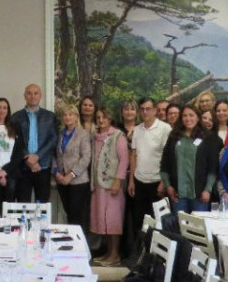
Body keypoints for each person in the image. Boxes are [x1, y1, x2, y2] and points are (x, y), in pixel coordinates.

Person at [159, 105, 220, 212]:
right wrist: (168, 186)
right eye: (185, 116)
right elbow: (165, 163)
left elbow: (212, 166)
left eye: (191, 115)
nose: (188, 119)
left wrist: (208, 189)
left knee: (198, 223)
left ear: (198, 117)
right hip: (178, 193)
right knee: (180, 222)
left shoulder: (208, 137)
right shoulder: (174, 136)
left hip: (200, 194)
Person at [128, 96, 172, 237]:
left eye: (148, 109)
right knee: (139, 221)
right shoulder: (137, 129)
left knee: (157, 223)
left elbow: (168, 158)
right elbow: (134, 156)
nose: (145, 112)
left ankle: (155, 251)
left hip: (157, 183)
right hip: (139, 181)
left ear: (155, 110)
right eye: (142, 109)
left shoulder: (165, 128)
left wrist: (163, 183)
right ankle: (140, 249)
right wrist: (131, 181)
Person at [90, 106, 129, 266]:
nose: (101, 120)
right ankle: (108, 252)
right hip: (99, 186)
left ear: (110, 119)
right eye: (98, 117)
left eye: (104, 117)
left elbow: (124, 159)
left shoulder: (118, 136)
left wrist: (118, 181)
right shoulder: (95, 137)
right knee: (102, 220)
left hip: (113, 184)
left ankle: (115, 254)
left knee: (113, 220)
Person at [12, 83, 56, 204]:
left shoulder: (49, 116)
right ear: (24, 96)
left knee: (42, 206)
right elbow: (14, 141)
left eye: (36, 93)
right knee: (23, 205)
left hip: (43, 166)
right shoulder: (16, 117)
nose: (32, 96)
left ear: (40, 96)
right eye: (29, 93)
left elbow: (53, 139)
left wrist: (37, 156)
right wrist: (27, 157)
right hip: (23, 167)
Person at [53, 102, 91, 232]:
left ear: (76, 117)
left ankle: (79, 242)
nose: (67, 117)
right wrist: (56, 173)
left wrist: (71, 174)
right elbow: (56, 155)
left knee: (77, 216)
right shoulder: (60, 134)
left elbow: (86, 157)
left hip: (78, 181)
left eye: (70, 114)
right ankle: (70, 240)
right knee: (69, 214)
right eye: (65, 115)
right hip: (62, 181)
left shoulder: (83, 134)